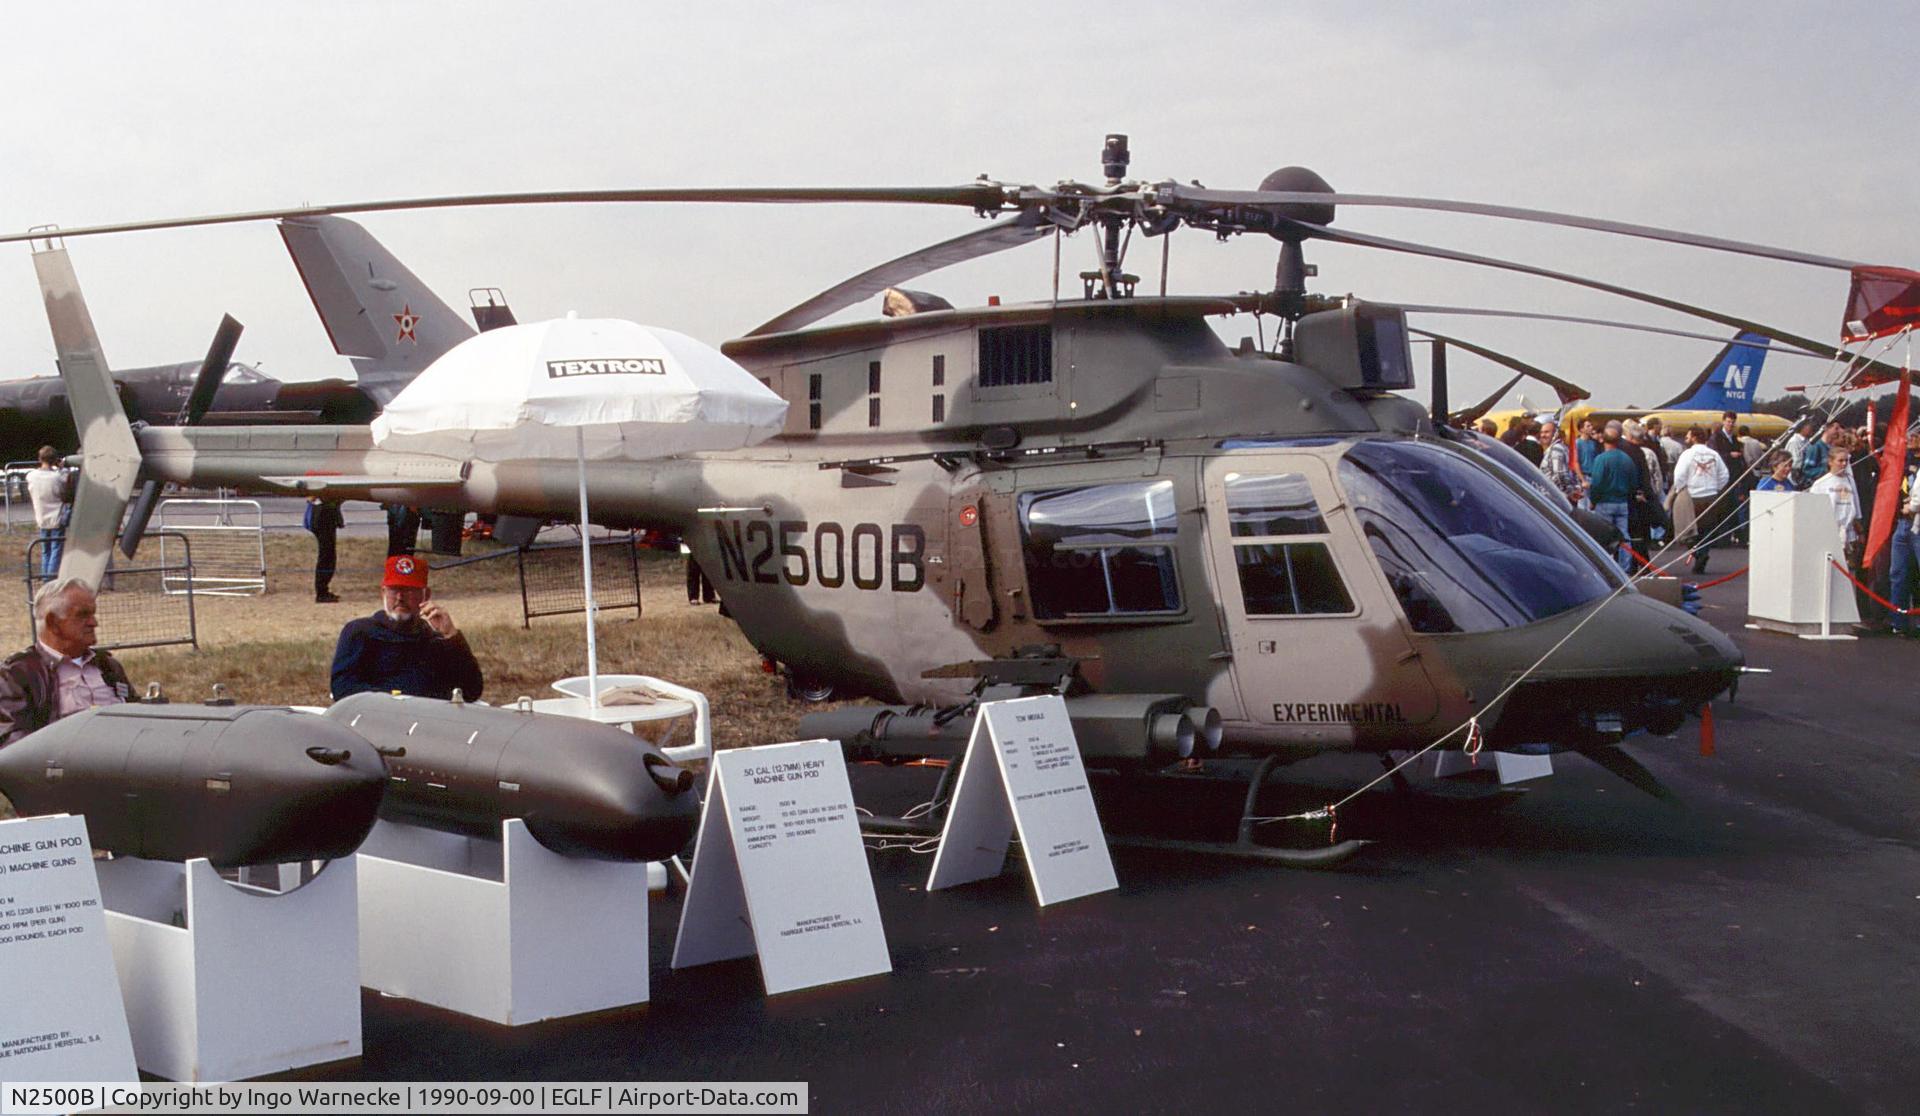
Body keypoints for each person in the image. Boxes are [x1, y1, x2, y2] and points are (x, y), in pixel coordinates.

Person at [330, 555, 484, 701]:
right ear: (382, 593)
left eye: (409, 590)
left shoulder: (433, 640)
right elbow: (342, 689)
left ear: (426, 595)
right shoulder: (360, 632)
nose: (400, 598)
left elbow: (471, 691)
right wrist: (396, 699)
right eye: (393, 590)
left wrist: (451, 636)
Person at [0, 579, 131, 746]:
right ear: (53, 623)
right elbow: (13, 742)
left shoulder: (108, 666)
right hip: (66, 766)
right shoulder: (18, 673)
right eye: (83, 615)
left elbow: (139, 715)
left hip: (125, 760)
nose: (94, 622)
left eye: (93, 613)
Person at [1671, 425, 1730, 574]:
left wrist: (1680, 489)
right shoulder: (1714, 454)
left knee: (1690, 531)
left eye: (1688, 435)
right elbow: (1724, 475)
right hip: (1710, 496)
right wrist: (1715, 487)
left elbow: (1679, 476)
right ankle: (1703, 553)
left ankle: (1698, 553)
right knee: (1707, 530)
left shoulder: (1687, 454)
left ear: (1694, 437)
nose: (1687, 438)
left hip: (1693, 497)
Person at [1586, 430, 1638, 572]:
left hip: (1604, 502)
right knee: (1624, 536)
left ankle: (1606, 568)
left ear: (1603, 440)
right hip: (1622, 502)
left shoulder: (1601, 459)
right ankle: (1625, 568)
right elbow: (1633, 482)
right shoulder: (1627, 459)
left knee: (1603, 536)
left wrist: (1593, 501)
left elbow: (1597, 483)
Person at [25, 446, 70, 580]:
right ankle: (50, 578)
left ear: (39, 459)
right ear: (55, 460)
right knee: (56, 549)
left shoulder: (31, 476)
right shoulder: (57, 477)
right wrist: (61, 467)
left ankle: (45, 575)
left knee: (46, 550)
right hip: (57, 517)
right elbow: (66, 482)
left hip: (42, 517)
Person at [305, 497, 344, 603]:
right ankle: (321, 592)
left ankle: (323, 589)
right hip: (323, 515)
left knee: (329, 555)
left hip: (326, 513)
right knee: (326, 555)